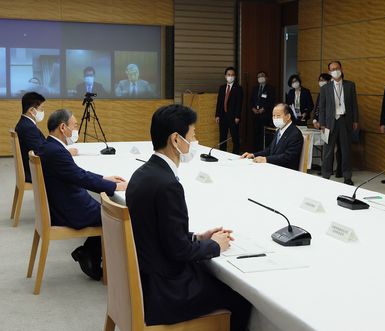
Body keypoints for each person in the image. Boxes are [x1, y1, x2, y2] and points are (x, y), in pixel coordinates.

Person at [126, 104, 251, 330]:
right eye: (192, 136)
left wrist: (198, 237)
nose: (195, 142)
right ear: (176, 139)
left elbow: (159, 231)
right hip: (164, 291)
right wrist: (214, 246)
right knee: (241, 300)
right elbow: (178, 251)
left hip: (145, 279)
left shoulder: (142, 174)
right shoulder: (167, 185)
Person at [37, 109, 127, 280]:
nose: (76, 130)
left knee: (107, 210)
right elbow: (80, 178)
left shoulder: (49, 146)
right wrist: (114, 187)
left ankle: (88, 253)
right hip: (69, 209)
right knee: (116, 215)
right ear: (63, 127)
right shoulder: (56, 152)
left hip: (63, 203)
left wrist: (105, 178)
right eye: (75, 126)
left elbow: (77, 173)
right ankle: (92, 256)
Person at [15, 92, 77, 183]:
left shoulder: (24, 123)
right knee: (68, 170)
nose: (43, 112)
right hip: (34, 171)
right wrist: (66, 153)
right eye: (41, 109)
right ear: (32, 111)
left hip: (31, 167)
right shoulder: (28, 128)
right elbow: (41, 153)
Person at [319, 61, 359, 185]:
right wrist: (322, 123)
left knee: (346, 150)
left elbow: (354, 104)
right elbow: (322, 107)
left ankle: (347, 176)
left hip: (345, 120)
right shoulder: (325, 87)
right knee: (328, 150)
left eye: (337, 68)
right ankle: (326, 175)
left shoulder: (350, 85)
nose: (335, 70)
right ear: (330, 72)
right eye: (332, 69)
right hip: (330, 122)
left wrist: (355, 120)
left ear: (341, 69)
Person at [241, 103, 303, 170]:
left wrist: (266, 159)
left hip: (285, 170)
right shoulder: (279, 130)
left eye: (278, 116)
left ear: (288, 116)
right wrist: (253, 155)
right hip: (274, 166)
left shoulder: (295, 134)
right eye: (273, 116)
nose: (275, 118)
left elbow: (288, 156)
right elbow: (270, 149)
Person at [313, 73, 342, 177]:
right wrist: (315, 120)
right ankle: (326, 170)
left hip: (336, 122)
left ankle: (339, 170)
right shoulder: (322, 91)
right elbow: (318, 108)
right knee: (327, 149)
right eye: (319, 80)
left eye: (323, 80)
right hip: (325, 124)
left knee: (339, 149)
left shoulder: (333, 91)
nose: (321, 82)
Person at [215, 66, 243, 154]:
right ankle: (222, 154)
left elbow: (239, 103)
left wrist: (237, 116)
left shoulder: (238, 88)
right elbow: (219, 102)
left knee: (235, 137)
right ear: (225, 76)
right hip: (223, 116)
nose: (230, 76)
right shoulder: (222, 88)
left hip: (233, 117)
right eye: (228, 74)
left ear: (235, 77)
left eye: (232, 75)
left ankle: (236, 154)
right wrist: (217, 115)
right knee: (222, 137)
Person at [250, 71, 275, 151]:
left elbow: (271, 101)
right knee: (255, 134)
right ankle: (255, 151)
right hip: (255, 115)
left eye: (262, 76)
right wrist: (253, 108)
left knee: (264, 134)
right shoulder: (255, 88)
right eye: (259, 76)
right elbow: (251, 101)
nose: (260, 78)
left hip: (265, 115)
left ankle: (263, 151)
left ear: (266, 78)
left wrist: (263, 109)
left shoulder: (270, 88)